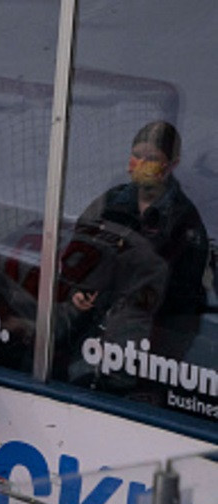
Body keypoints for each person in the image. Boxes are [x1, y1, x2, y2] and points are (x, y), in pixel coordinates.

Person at [59, 120, 211, 390]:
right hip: (91, 325)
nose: (141, 163)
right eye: (137, 155)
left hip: (148, 334)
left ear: (171, 164)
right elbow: (79, 251)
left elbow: (181, 297)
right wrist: (80, 289)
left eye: (151, 158)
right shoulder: (111, 201)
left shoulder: (184, 220)